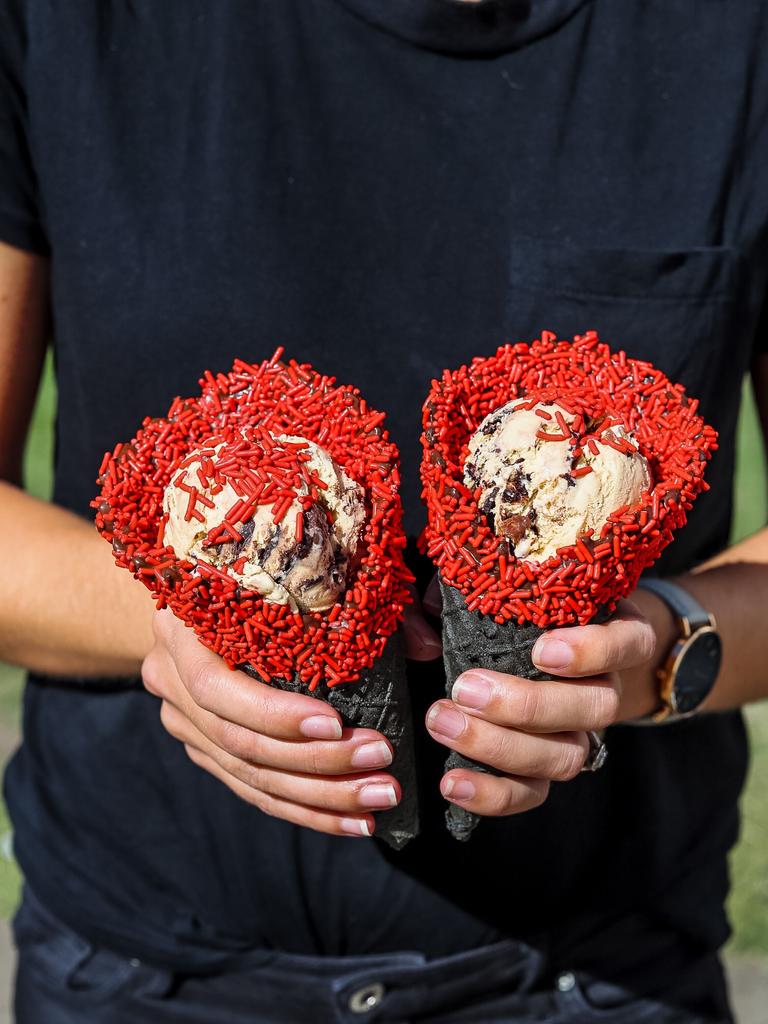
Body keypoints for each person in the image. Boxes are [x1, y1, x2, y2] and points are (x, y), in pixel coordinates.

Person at [1, 1, 767, 1021]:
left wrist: (658, 647)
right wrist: (188, 615)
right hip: (141, 967)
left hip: (600, 973)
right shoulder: (68, 23)